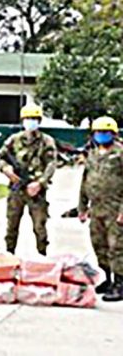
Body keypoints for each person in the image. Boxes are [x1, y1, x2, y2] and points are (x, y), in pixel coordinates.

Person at [0, 103, 57, 256]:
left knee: (40, 227)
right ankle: (9, 255)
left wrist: (40, 183)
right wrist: (6, 169)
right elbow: (0, 156)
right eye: (28, 118)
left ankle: (42, 256)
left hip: (36, 191)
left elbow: (51, 164)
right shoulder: (14, 140)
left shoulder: (46, 141)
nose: (30, 121)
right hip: (16, 189)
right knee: (11, 225)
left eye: (34, 118)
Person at [77, 116, 123, 302]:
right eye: (98, 132)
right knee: (99, 244)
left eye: (105, 132)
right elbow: (85, 180)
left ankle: (120, 283)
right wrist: (82, 206)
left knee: (117, 247)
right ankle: (107, 278)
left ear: (113, 133)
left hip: (115, 208)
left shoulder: (120, 153)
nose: (101, 135)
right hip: (96, 209)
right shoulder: (92, 153)